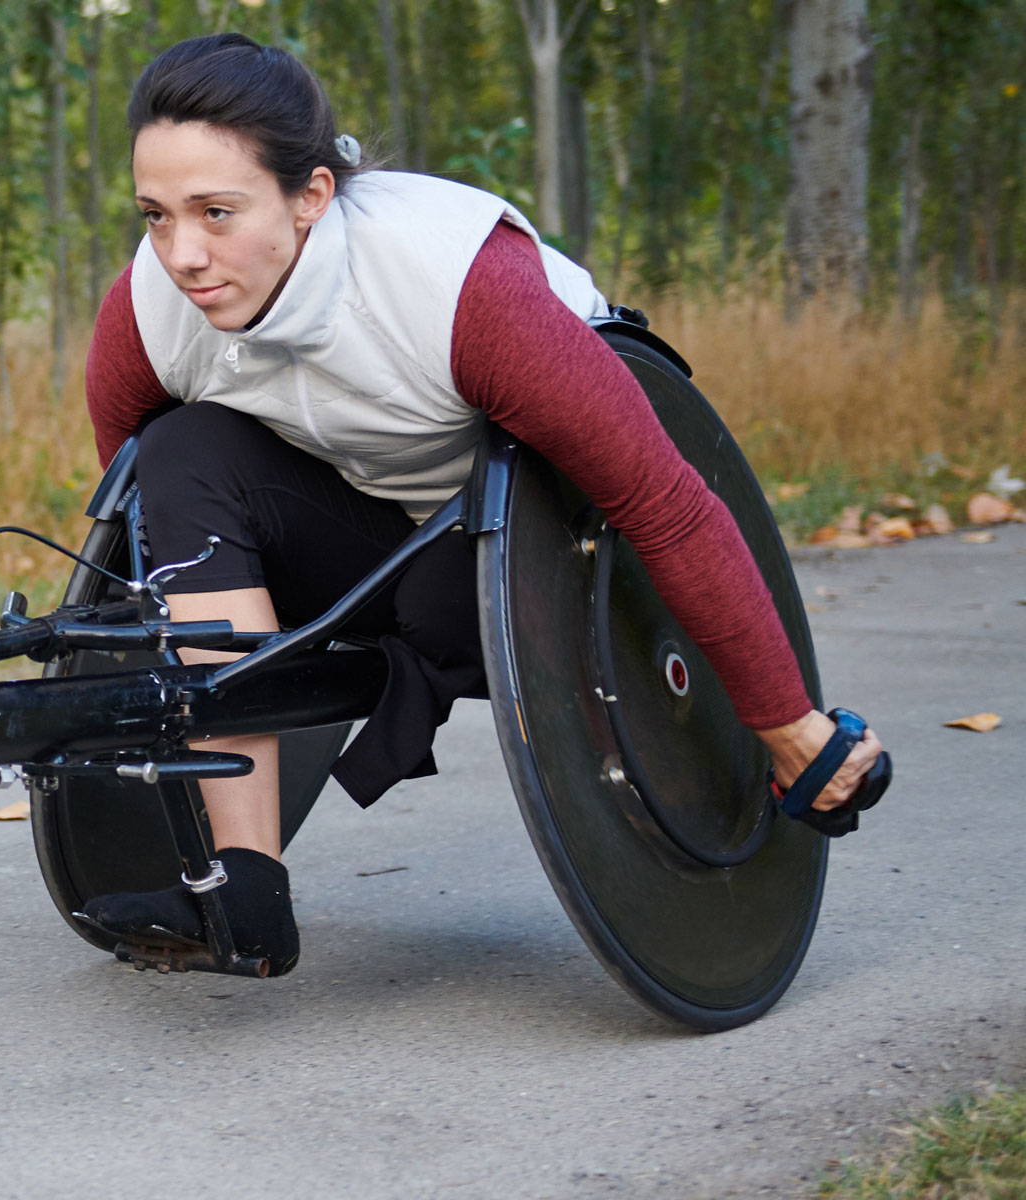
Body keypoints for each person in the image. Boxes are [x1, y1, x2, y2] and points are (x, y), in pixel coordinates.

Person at [68, 33, 889, 968]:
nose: (182, 254)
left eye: (217, 212)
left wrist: (792, 726)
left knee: (451, 575)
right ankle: (245, 888)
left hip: (559, 563)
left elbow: (668, 506)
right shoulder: (150, 308)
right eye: (156, 215)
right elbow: (148, 546)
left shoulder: (458, 285)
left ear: (311, 196)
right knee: (177, 452)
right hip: (370, 552)